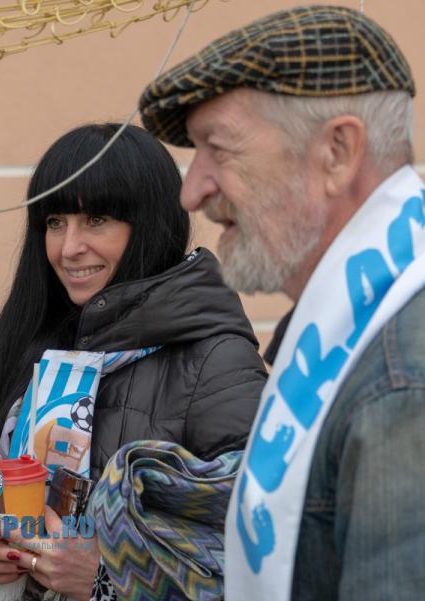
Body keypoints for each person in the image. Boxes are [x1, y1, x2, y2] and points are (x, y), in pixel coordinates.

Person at [139, 5, 425, 600]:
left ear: (337, 153)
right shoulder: (369, 326)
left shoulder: (403, 378)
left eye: (218, 148)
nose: (191, 191)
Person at [0, 123, 268, 601]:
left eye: (97, 220)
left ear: (149, 224)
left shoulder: (215, 360)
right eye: (55, 222)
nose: (68, 248)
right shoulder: (23, 345)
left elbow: (266, 557)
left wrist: (106, 581)